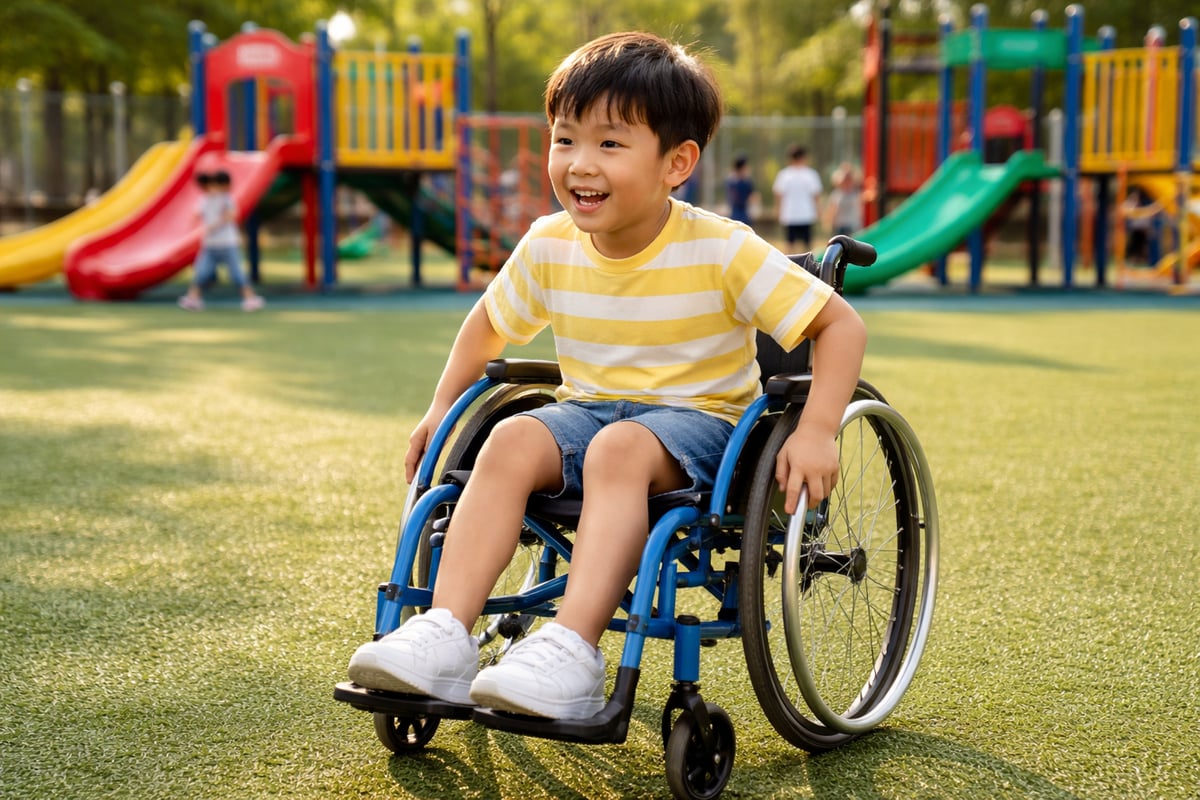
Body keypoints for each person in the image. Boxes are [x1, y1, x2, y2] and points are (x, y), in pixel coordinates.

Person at [346, 31, 867, 720]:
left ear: (676, 163)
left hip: (703, 426)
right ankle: (444, 634)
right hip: (587, 411)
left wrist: (819, 430)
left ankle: (571, 650)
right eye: (565, 140)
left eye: (609, 145)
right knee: (506, 440)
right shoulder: (548, 243)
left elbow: (841, 326)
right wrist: (443, 405)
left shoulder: (722, 248)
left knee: (616, 451)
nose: (579, 164)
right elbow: (487, 325)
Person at [178, 170, 264, 312]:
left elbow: (231, 215)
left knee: (237, 274)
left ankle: (250, 299)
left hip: (228, 244)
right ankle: (193, 298)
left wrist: (215, 224)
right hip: (210, 245)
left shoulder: (226, 199)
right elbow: (196, 215)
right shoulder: (204, 200)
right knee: (201, 272)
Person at [772, 144, 823, 250]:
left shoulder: (784, 174)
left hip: (790, 214)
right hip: (806, 214)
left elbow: (778, 195)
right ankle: (808, 266)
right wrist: (819, 211)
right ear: (803, 157)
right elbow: (816, 195)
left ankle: (789, 265)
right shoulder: (811, 174)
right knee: (807, 245)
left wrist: (778, 211)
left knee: (790, 244)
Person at [825, 162, 863, 238]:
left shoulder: (856, 193)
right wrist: (830, 222)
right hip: (840, 226)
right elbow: (832, 210)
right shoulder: (836, 194)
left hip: (853, 226)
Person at [726, 154, 756, 227]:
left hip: (737, 213)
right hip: (741, 213)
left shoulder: (731, 180)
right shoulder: (745, 182)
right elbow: (752, 197)